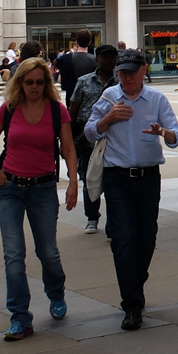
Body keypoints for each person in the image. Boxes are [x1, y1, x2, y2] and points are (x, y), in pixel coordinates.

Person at [0, 57, 80, 341]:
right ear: (19, 83)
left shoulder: (56, 111)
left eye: (40, 82)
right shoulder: (10, 109)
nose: (34, 87)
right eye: (29, 82)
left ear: (47, 83)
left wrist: (73, 181)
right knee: (14, 255)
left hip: (43, 189)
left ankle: (55, 292)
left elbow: (69, 149)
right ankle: (20, 318)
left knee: (47, 251)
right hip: (10, 189)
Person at [84, 48, 178, 330]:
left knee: (146, 238)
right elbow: (90, 132)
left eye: (132, 72)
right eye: (122, 72)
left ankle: (135, 281)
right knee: (123, 238)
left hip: (149, 177)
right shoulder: (108, 98)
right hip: (117, 178)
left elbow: (176, 136)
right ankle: (131, 303)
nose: (127, 77)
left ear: (143, 72)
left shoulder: (156, 99)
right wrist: (108, 118)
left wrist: (163, 132)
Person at [68, 43, 117, 234]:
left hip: (113, 141)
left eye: (112, 57)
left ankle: (113, 222)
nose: (108, 61)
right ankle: (92, 217)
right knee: (90, 180)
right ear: (97, 59)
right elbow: (73, 109)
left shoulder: (120, 82)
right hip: (88, 140)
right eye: (105, 57)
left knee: (113, 182)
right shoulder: (84, 81)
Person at [56, 30, 95, 97]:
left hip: (71, 95)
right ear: (89, 43)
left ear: (76, 42)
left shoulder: (65, 58)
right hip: (88, 96)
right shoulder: (94, 60)